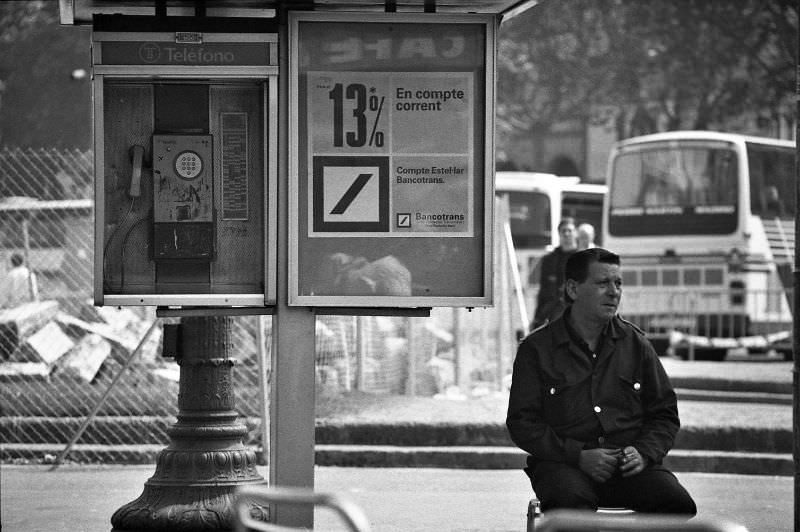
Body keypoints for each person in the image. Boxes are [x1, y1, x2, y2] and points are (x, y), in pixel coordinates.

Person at [507, 248, 696, 516]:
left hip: (629, 468)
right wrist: (578, 455)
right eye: (602, 283)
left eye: (618, 283)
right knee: (571, 507)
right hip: (563, 466)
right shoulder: (537, 349)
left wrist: (643, 452)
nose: (613, 292)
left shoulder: (636, 344)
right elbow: (522, 423)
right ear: (573, 289)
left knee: (676, 505)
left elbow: (664, 413)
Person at [530, 217, 577, 329]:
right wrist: (537, 317)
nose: (566, 234)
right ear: (559, 234)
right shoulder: (550, 260)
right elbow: (543, 290)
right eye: (563, 231)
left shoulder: (584, 258)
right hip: (554, 312)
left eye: (569, 231)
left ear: (575, 233)